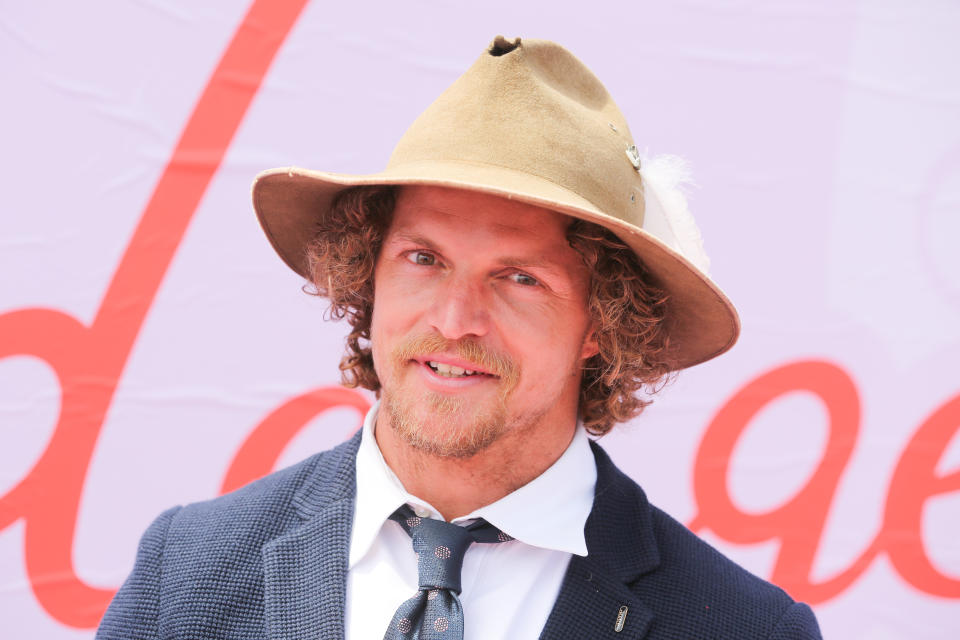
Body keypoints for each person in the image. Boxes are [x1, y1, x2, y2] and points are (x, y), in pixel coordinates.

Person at [97, 36, 822, 639]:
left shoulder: (745, 627)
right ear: (367, 276)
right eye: (424, 259)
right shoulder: (186, 571)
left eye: (519, 278)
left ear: (604, 322)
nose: (454, 320)